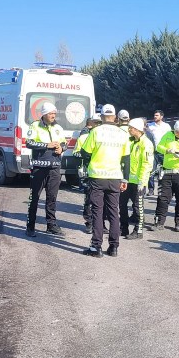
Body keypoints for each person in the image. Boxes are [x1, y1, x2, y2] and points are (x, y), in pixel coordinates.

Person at [79, 104, 131, 257]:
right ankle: (114, 247)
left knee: (97, 211)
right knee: (114, 211)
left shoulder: (96, 131)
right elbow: (126, 159)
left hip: (97, 176)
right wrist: (125, 179)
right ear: (115, 117)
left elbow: (85, 152)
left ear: (101, 117)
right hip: (115, 176)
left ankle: (96, 247)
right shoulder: (122, 134)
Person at [25, 101, 67, 237]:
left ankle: (51, 225)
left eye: (54, 113)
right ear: (44, 114)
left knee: (52, 198)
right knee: (35, 198)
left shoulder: (58, 127)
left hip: (55, 167)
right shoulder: (35, 125)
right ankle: (30, 226)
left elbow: (64, 143)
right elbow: (29, 143)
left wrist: (62, 148)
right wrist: (46, 145)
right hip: (39, 167)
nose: (53, 115)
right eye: (50, 113)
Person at [152, 119, 179, 232]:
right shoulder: (168, 135)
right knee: (163, 198)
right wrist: (168, 150)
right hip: (167, 172)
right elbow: (158, 147)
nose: (178, 134)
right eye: (177, 132)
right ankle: (159, 222)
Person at [121, 118, 154, 239]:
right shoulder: (130, 141)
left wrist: (142, 181)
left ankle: (138, 231)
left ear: (138, 129)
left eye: (131, 128)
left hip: (139, 181)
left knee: (138, 206)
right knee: (122, 204)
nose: (129, 130)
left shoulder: (146, 144)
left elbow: (147, 164)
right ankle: (123, 228)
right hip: (127, 179)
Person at [74, 115, 101, 232]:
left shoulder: (105, 137)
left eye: (100, 122)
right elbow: (75, 153)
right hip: (87, 172)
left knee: (102, 201)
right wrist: (84, 158)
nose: (97, 125)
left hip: (102, 173)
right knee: (89, 199)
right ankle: (89, 223)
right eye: (96, 122)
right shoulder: (83, 138)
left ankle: (100, 224)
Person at [146, 110, 171, 196]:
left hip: (163, 152)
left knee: (165, 170)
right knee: (151, 170)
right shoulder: (150, 126)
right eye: (154, 115)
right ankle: (151, 189)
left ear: (161, 117)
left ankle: (164, 188)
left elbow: (170, 138)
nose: (155, 116)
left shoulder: (166, 126)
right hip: (153, 151)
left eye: (157, 115)